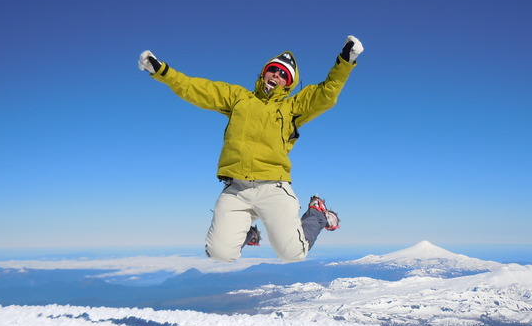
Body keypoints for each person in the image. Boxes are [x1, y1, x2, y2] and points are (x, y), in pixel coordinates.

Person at [138, 35, 363, 262]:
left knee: (292, 253)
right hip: (237, 188)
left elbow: (327, 92)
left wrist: (346, 60)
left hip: (273, 186)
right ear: (264, 72)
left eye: (284, 74)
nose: (277, 75)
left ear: (289, 83)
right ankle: (249, 233)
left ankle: (317, 213)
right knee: (219, 253)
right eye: (273, 69)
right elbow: (196, 88)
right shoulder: (238, 98)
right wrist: (162, 71)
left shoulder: (292, 106)